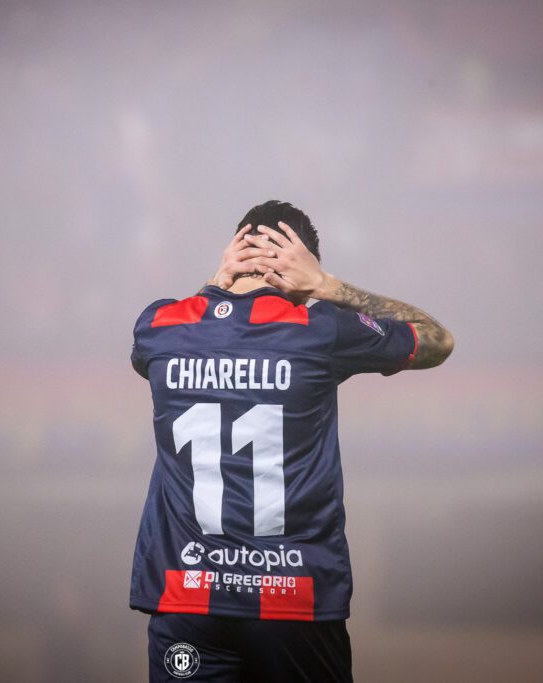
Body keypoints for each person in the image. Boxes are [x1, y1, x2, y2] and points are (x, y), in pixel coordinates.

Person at [129, 200, 453, 682]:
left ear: (236, 251)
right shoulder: (321, 329)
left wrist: (215, 284)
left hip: (186, 596)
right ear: (300, 265)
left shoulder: (160, 327)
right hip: (294, 600)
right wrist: (327, 286)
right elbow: (437, 340)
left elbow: (157, 349)